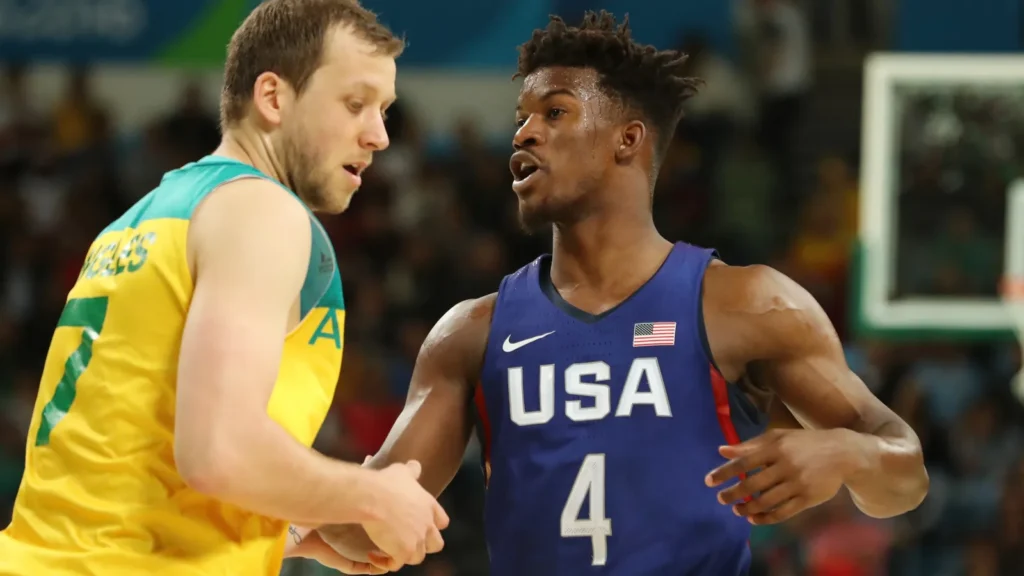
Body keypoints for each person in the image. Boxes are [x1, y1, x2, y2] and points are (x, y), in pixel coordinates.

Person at [312, 11, 931, 575]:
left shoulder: (749, 304)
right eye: (522, 118)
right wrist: (269, 493)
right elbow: (369, 523)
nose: (524, 134)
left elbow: (904, 476)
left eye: (554, 113)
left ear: (627, 140)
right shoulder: (470, 334)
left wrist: (846, 454)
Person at [0, 1, 447, 575]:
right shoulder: (263, 212)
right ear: (273, 98)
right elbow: (218, 451)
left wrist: (283, 530)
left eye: (384, 111)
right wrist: (375, 495)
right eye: (355, 104)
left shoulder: (145, 218)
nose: (379, 135)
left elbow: (122, 460)